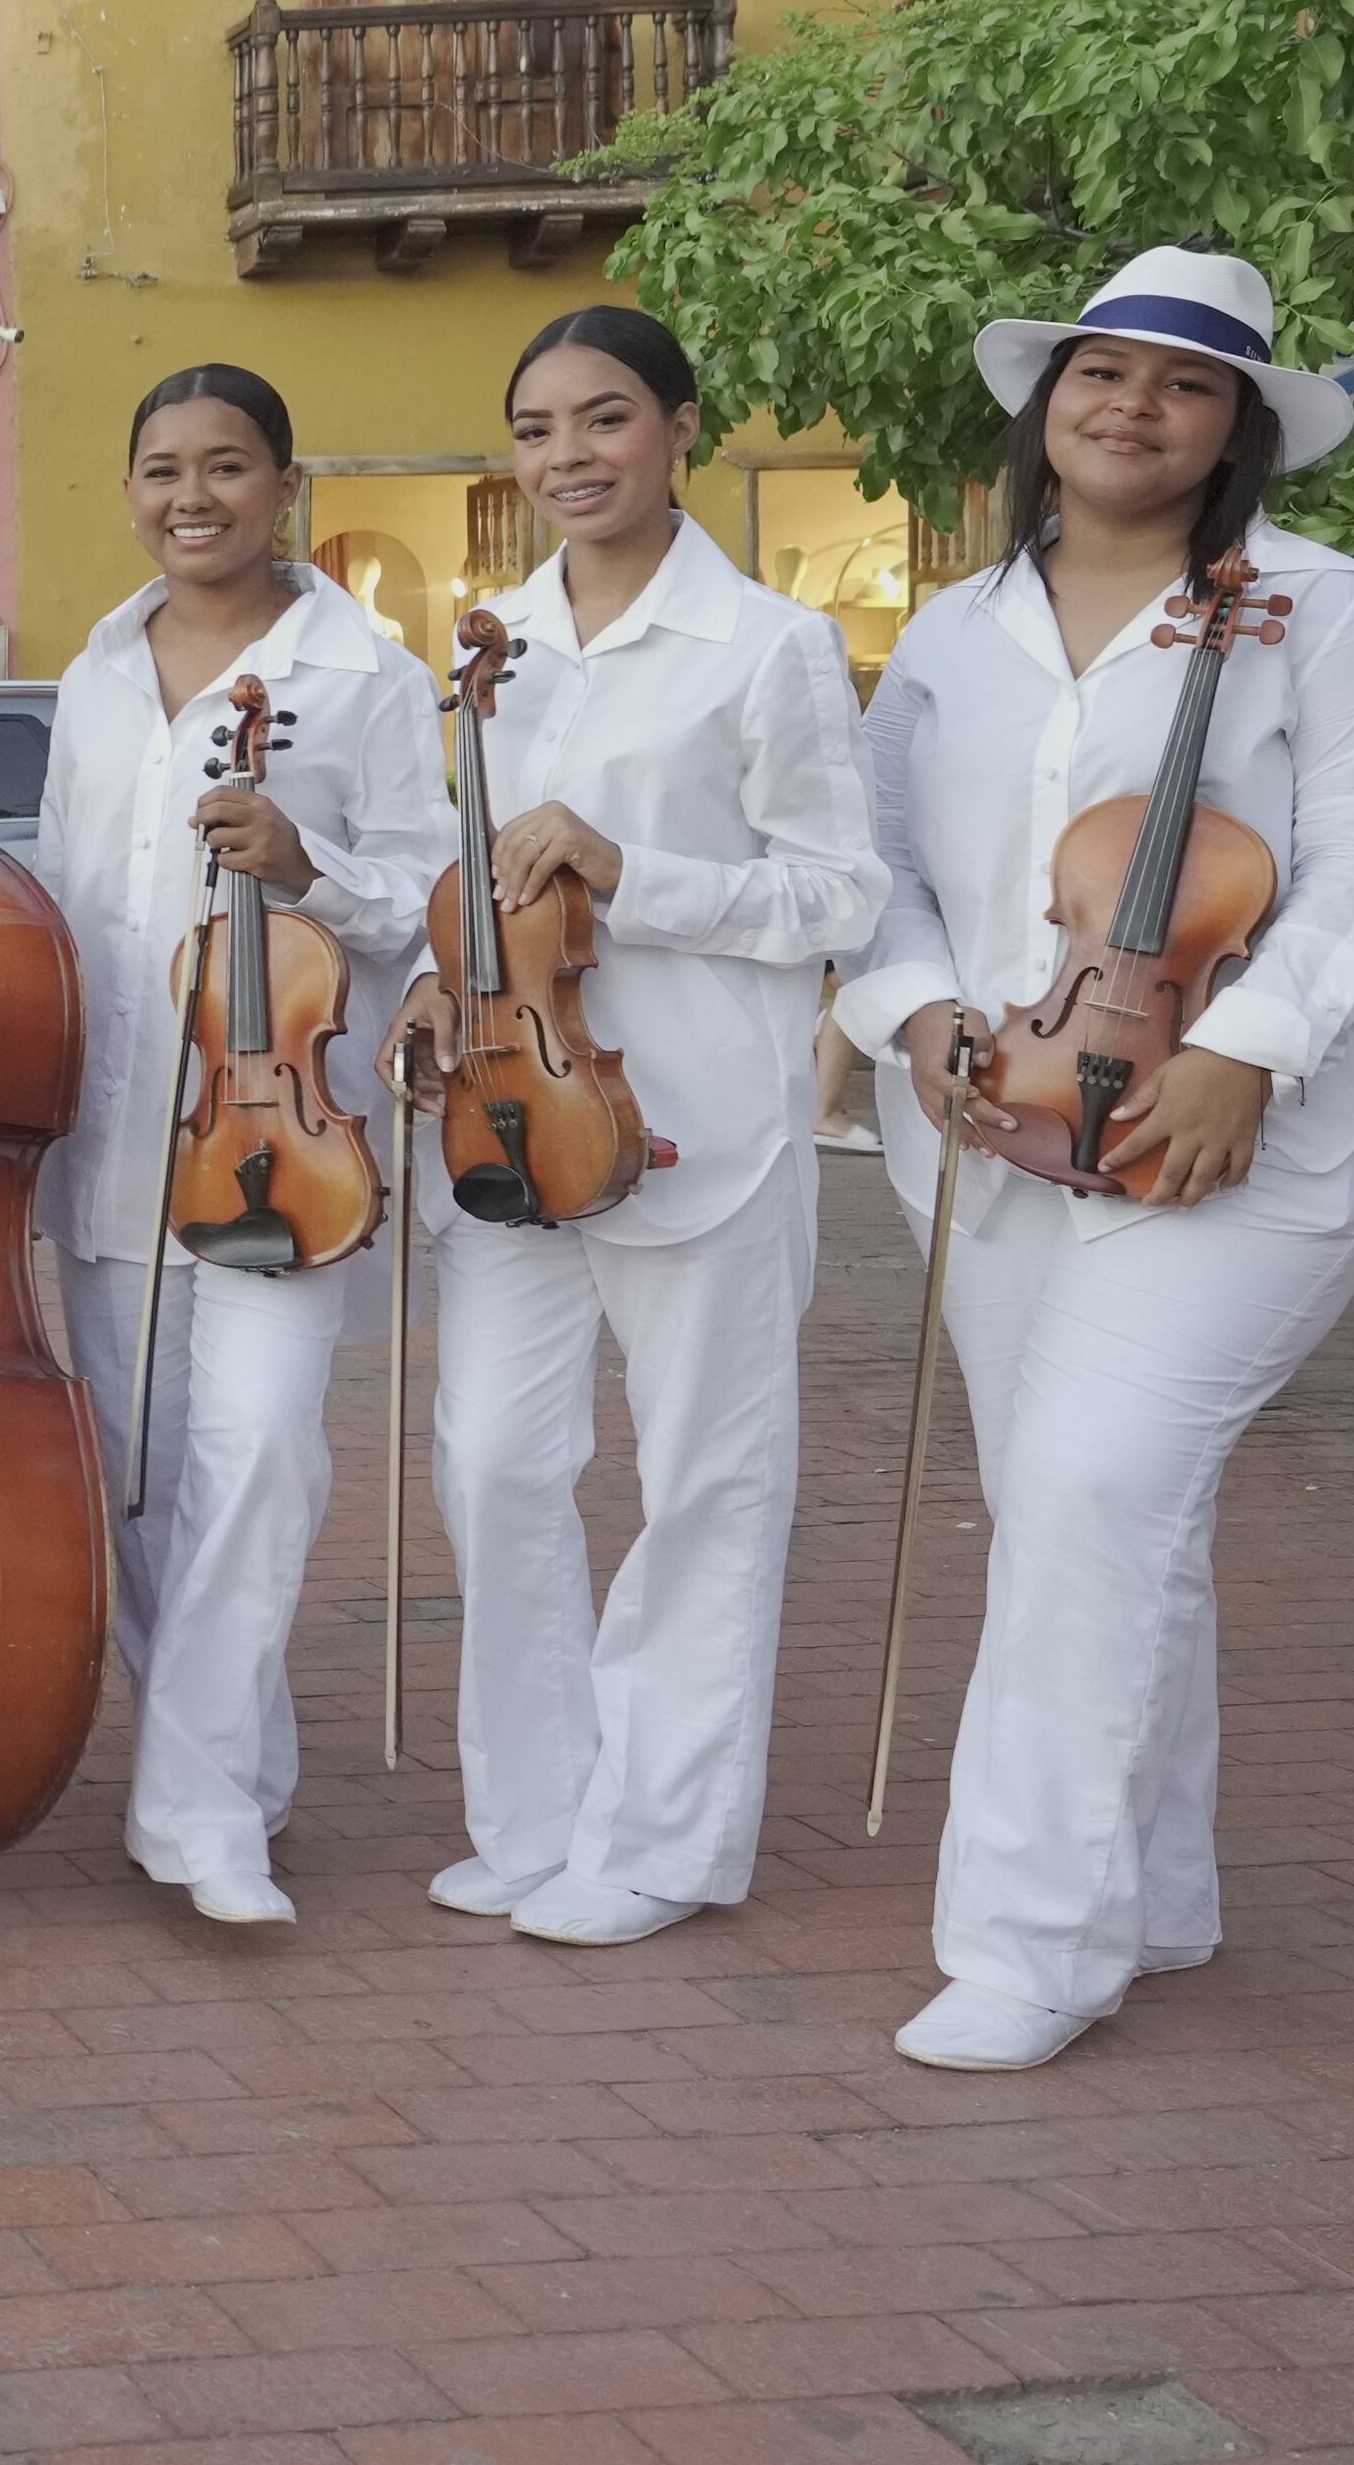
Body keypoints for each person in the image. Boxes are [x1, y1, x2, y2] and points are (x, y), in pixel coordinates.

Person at [838, 247, 1354, 2071]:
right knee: (1085, 1517)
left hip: (1258, 1139)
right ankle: (1157, 1889)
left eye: (1183, 386)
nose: (1133, 406)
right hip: (1005, 1124)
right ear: (1047, 402)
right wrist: (920, 1011)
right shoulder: (951, 628)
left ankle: (1033, 1942)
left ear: (1238, 427)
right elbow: (879, 863)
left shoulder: (1318, 608)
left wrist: (1248, 1045)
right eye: (1102, 371)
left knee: (1094, 1485)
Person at [392, 309, 883, 1947]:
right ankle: (537, 1813)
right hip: (513, 1114)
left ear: (679, 427)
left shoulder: (766, 646)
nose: (568, 456)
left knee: (707, 1482)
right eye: (536, 429)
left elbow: (841, 893)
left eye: (605, 419)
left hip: (701, 1120)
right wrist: (420, 985)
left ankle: (664, 1839)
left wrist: (630, 868)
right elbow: (448, 873)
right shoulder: (488, 644)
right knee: (496, 1461)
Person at [31, 363, 451, 1925]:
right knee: (138, 1486)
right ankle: (219, 1779)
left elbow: (428, 896)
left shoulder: (369, 677)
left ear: (285, 483)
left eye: (224, 466)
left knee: (262, 1455)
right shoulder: (90, 672)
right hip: (114, 1130)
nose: (189, 496)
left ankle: (203, 1810)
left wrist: (308, 858)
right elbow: (72, 897)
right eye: (161, 468)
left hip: (284, 1130)